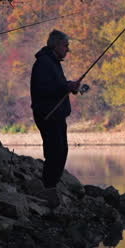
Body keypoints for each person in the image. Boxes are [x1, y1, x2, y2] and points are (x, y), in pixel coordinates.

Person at [30, 30, 86, 209]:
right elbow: (44, 90)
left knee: (61, 152)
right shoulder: (43, 63)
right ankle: (48, 189)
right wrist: (66, 86)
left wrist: (70, 87)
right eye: (65, 46)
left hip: (57, 116)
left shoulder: (52, 62)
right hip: (48, 116)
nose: (67, 50)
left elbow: (56, 86)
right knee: (55, 152)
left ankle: (51, 188)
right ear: (55, 45)